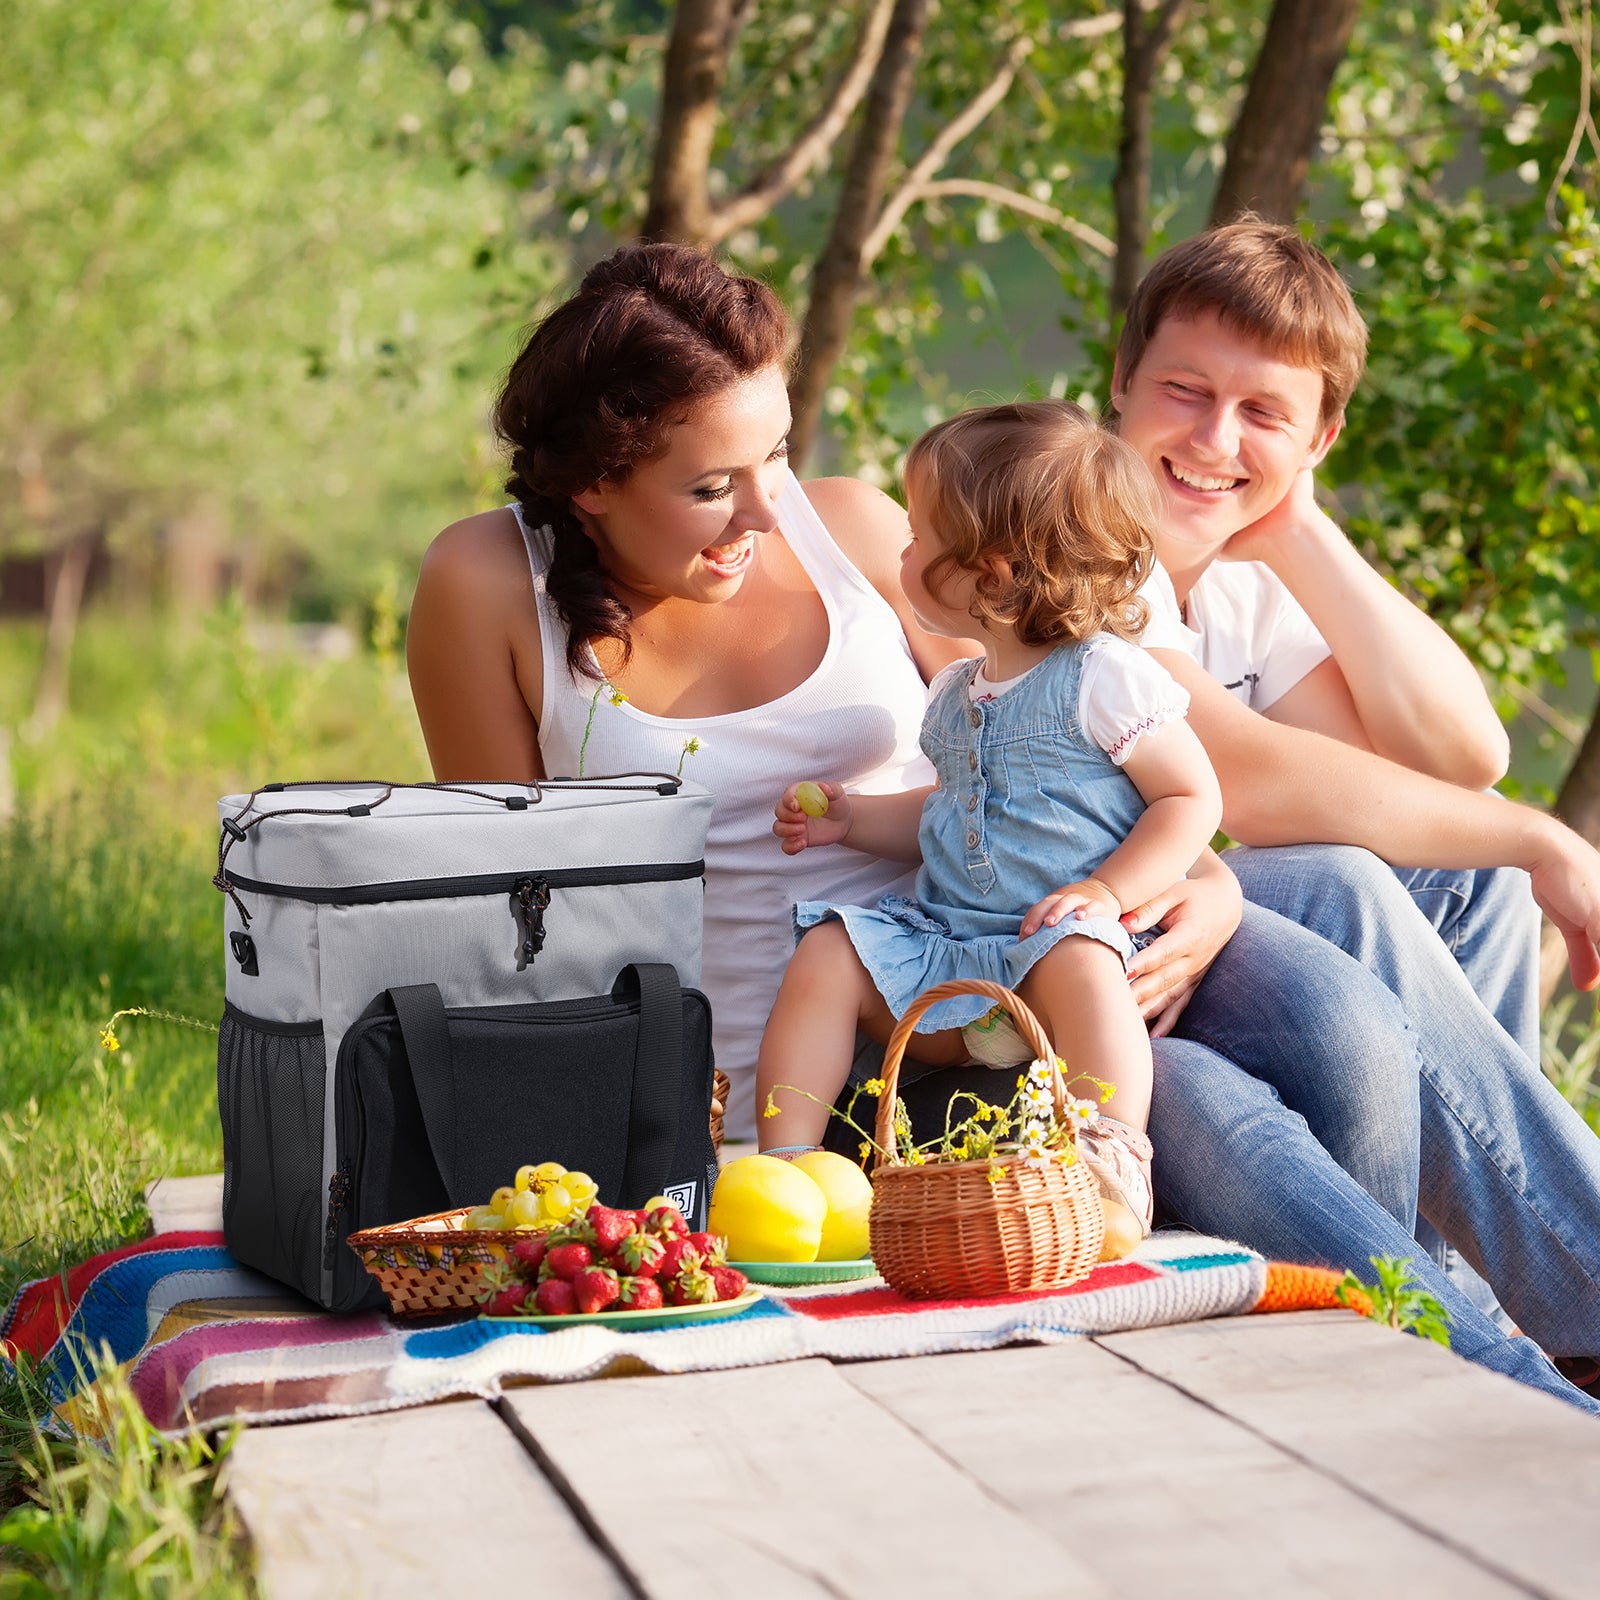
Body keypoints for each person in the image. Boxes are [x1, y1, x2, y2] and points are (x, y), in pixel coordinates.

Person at [405, 240, 1600, 1409]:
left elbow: (1058, 734)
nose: (767, 510)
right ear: (591, 483)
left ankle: (1563, 1318)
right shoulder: (488, 585)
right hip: (873, 1044)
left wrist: (1210, 881)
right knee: (1201, 1097)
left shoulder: (849, 525)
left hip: (1032, 920)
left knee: (1344, 953)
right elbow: (514, 922)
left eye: (776, 453)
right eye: (712, 485)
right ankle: (1500, 1383)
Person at [1107, 219, 1600, 1355]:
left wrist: (1302, 530)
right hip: (1081, 940)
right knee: (1345, 880)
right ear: (1121, 378)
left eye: (1264, 413)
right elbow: (1245, 778)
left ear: (1322, 435)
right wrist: (1543, 837)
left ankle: (1498, 1286)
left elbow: (1452, 758)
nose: (1214, 438)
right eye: (1185, 390)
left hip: (1195, 936)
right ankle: (1579, 1279)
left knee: (1468, 868)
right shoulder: (1070, 532)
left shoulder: (1237, 580)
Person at [756, 402, 1223, 1234]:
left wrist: (1107, 893)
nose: (901, 552)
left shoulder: (1103, 677)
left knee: (1080, 955)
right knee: (829, 949)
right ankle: (788, 1171)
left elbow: (1192, 798)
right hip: (955, 955)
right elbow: (950, 814)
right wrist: (852, 821)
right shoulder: (955, 692)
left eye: (918, 537)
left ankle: (1107, 1158)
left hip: (1053, 961)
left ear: (993, 575)